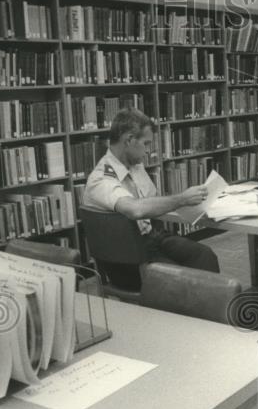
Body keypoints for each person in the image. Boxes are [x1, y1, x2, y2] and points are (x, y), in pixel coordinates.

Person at [83, 108, 220, 289]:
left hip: (150, 238)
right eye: (146, 144)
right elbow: (135, 209)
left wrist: (195, 205)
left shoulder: (134, 166)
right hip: (125, 258)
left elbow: (152, 201)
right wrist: (181, 199)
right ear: (129, 140)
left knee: (204, 255)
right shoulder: (101, 179)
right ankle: (194, 310)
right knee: (183, 279)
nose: (148, 151)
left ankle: (207, 313)